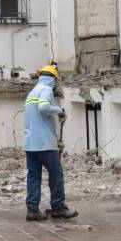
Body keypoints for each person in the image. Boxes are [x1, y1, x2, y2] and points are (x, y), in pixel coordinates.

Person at [23, 63, 77, 221]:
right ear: (52, 79)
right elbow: (44, 107)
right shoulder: (46, 90)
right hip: (44, 144)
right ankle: (58, 207)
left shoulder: (32, 92)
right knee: (56, 174)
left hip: (30, 144)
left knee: (34, 176)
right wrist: (59, 110)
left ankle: (32, 210)